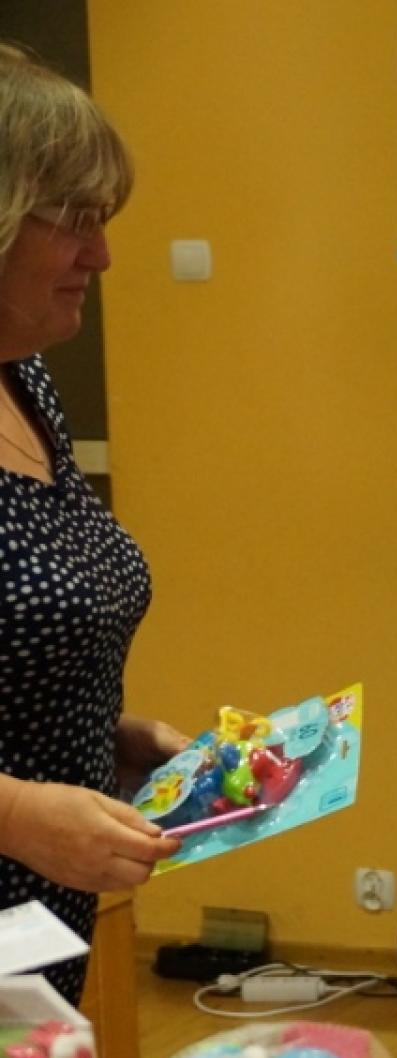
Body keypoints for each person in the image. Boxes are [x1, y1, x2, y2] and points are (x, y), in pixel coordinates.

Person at [0, 42, 184, 1005]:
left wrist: (100, 732)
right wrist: (16, 811)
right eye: (73, 218)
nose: (102, 255)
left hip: (35, 944)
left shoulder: (26, 381)